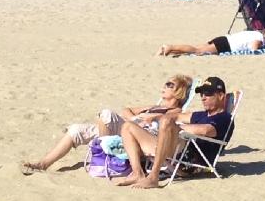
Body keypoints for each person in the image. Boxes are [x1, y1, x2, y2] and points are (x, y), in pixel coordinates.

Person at [22, 74, 192, 173]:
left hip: (138, 137)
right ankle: (43, 164)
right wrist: (135, 118)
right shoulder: (155, 106)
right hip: (127, 129)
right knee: (76, 130)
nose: (164, 86)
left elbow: (168, 124)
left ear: (178, 93)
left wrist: (150, 118)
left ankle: (104, 154)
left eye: (170, 85)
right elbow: (127, 110)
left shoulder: (175, 113)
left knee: (107, 114)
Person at [114, 77, 234, 189]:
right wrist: (155, 115)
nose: (203, 97)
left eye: (208, 94)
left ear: (221, 95)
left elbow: (206, 130)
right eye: (202, 93)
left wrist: (174, 127)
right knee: (128, 126)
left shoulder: (224, 118)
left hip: (191, 162)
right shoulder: (200, 115)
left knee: (167, 122)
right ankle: (137, 173)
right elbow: (175, 115)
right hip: (174, 152)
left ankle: (153, 177)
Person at [158, 28, 265, 56]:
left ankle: (166, 50)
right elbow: (254, 49)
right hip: (226, 44)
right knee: (198, 51)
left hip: (224, 39)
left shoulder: (254, 32)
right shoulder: (259, 38)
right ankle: (171, 47)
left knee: (195, 50)